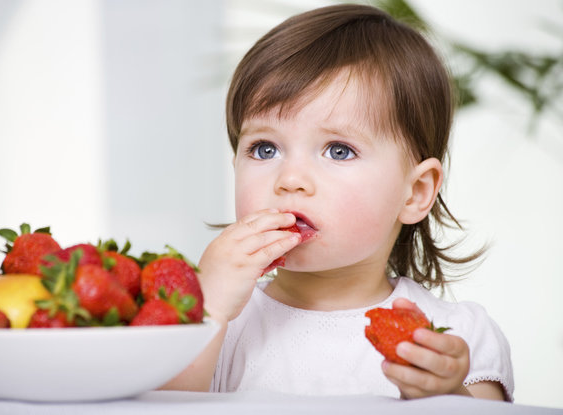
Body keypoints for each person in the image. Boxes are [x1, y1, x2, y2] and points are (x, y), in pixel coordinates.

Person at [165, 4, 513, 400]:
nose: (290, 180)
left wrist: (445, 396)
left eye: (338, 151)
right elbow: (159, 407)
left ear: (415, 193)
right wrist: (204, 311)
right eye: (264, 149)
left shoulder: (454, 336)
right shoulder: (224, 324)